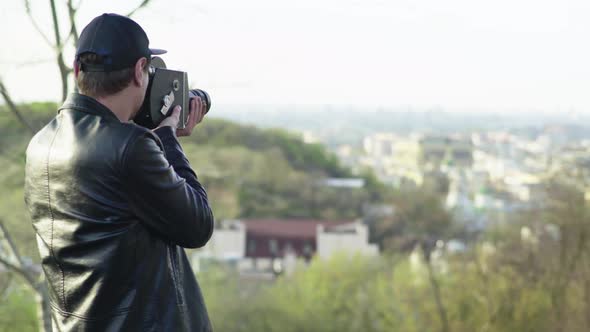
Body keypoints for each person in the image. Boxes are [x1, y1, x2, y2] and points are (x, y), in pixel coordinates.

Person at [24, 13, 214, 331]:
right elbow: (198, 225)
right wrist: (166, 138)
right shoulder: (132, 147)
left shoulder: (40, 144)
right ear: (140, 71)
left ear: (77, 70)